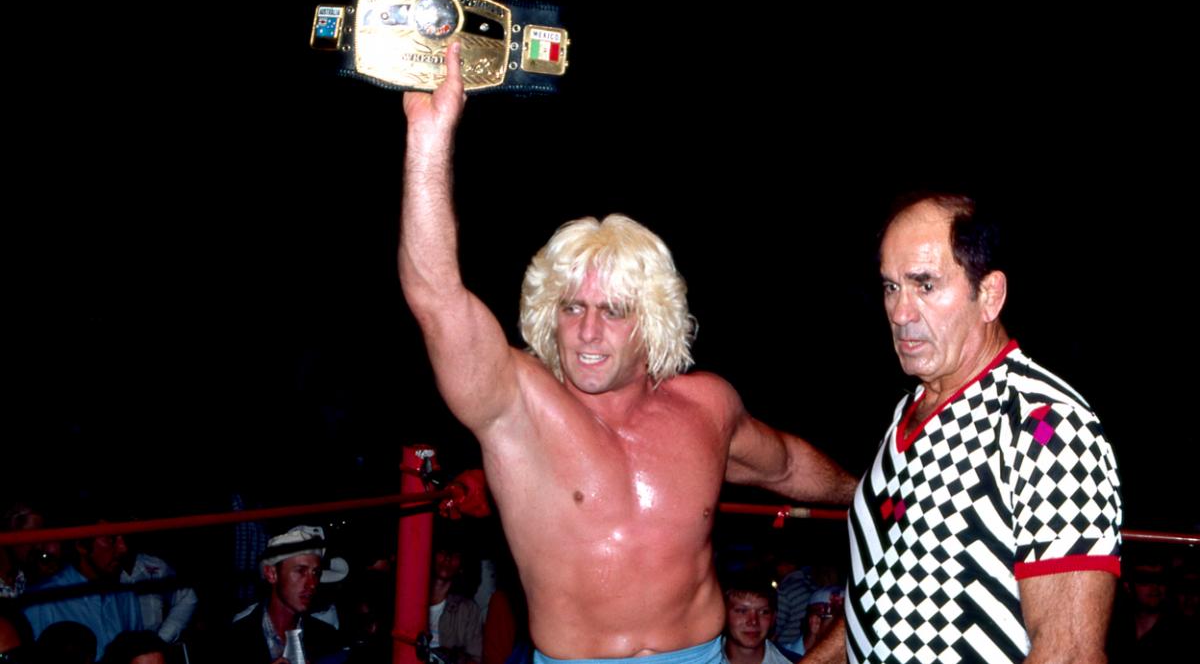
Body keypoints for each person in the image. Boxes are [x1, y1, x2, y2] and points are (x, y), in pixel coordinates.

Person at [400, 43, 856, 664]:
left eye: (613, 311)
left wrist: (872, 491)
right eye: (572, 308)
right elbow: (436, 296)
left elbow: (784, 466)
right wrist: (428, 139)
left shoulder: (707, 406)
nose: (588, 331)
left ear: (653, 321)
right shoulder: (516, 404)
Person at [845, 193, 1123, 663]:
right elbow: (888, 588)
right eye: (892, 287)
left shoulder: (1046, 426)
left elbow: (1071, 653)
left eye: (925, 285)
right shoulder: (908, 411)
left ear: (990, 295)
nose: (900, 312)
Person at [226, 525, 345, 664]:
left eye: (316, 573)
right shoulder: (234, 640)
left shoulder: (327, 637)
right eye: (300, 571)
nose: (312, 584)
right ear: (272, 574)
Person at [22, 529, 141, 660]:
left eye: (124, 539)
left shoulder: (126, 595)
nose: (123, 548)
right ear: (81, 546)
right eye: (111, 539)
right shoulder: (42, 600)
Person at [720, 578, 797, 664]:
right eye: (742, 611)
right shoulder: (708, 659)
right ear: (723, 614)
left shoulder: (794, 661)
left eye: (764, 612)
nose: (753, 621)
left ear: (773, 618)